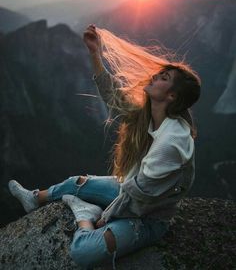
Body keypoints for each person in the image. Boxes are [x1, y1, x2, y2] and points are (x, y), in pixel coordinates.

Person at [8, 24, 201, 269]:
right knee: (76, 182)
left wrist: (104, 216)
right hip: (130, 193)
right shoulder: (150, 114)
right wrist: (95, 54)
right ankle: (34, 199)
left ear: (172, 96)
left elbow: (138, 198)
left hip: (148, 218)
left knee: (84, 252)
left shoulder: (171, 142)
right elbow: (113, 97)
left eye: (164, 78)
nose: (155, 76)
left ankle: (83, 215)